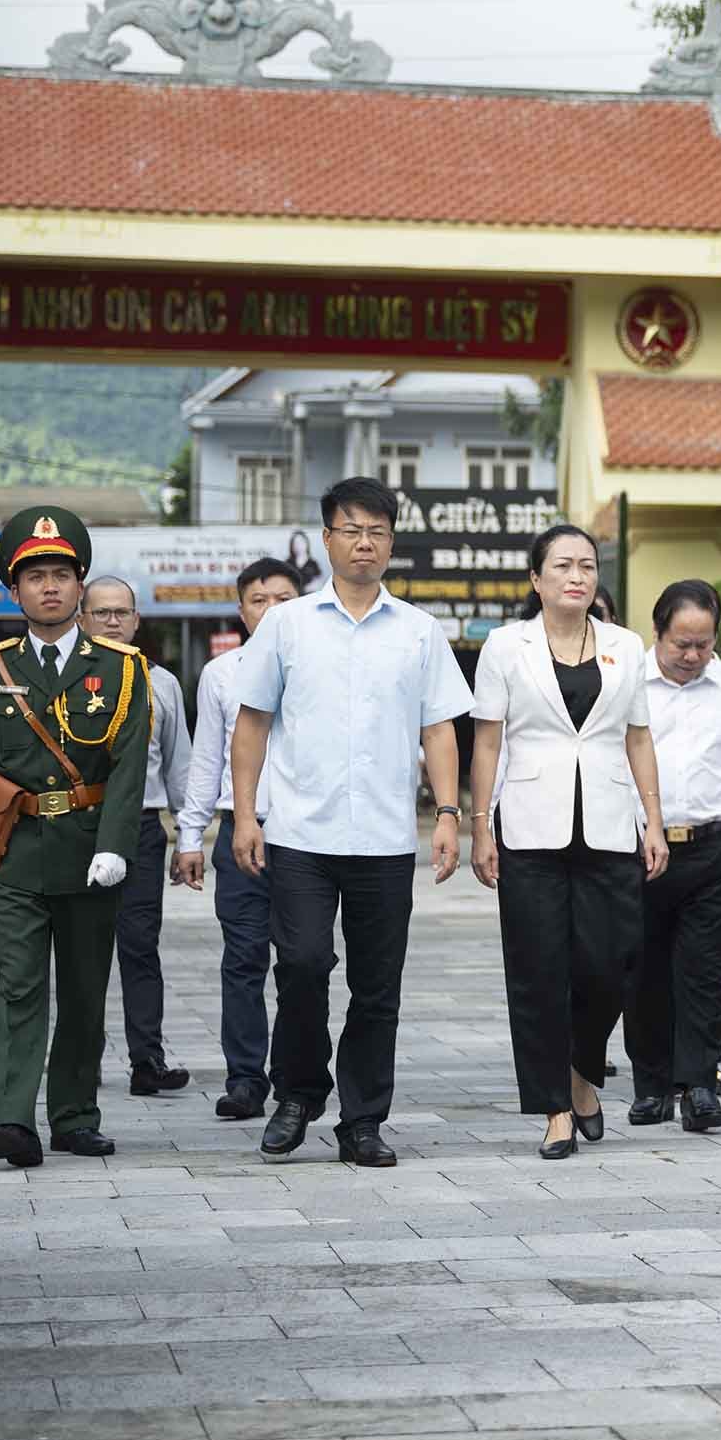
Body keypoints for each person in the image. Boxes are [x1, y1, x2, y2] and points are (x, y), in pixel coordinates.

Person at [230, 478, 472, 1170]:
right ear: (328, 538)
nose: (364, 542)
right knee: (301, 965)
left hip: (387, 837)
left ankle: (363, 1120)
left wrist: (449, 815)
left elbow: (440, 729)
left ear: (392, 542)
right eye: (351, 529)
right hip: (301, 833)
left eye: (378, 531)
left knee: (378, 987)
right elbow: (252, 723)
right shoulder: (287, 623)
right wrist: (246, 813)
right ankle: (298, 1094)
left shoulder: (421, 632)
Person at [0, 506, 149, 1169]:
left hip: (90, 850)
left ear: (80, 584)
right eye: (34, 576)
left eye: (61, 574)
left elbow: (129, 764)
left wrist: (116, 845)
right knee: (18, 987)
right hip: (12, 854)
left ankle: (73, 1115)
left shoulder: (122, 669)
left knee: (85, 991)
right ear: (15, 591)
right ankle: (12, 1119)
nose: (49, 587)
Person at [468, 524, 667, 1158]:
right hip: (529, 825)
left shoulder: (626, 645)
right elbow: (489, 739)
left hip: (610, 823)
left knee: (609, 965)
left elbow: (638, 736)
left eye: (586, 565)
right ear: (536, 579)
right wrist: (480, 824)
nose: (576, 576)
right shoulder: (505, 646)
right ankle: (554, 1106)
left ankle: (585, 1070)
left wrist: (653, 821)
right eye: (562, 566)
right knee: (537, 970)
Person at [624, 579, 721, 1130]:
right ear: (656, 633)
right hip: (640, 849)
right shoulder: (629, 680)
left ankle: (700, 1083)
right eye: (681, 643)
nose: (691, 655)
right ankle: (651, 1084)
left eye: (703, 644)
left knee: (706, 972)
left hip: (712, 848)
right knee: (643, 970)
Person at [171, 557, 300, 1119]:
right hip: (241, 831)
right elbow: (206, 761)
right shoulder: (221, 675)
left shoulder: (323, 668)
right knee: (243, 958)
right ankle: (246, 1077)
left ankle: (298, 1074)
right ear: (242, 610)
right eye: (258, 600)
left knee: (303, 961)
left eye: (283, 598)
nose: (271, 610)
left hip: (308, 839)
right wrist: (190, 836)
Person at [83, 576, 192, 1097]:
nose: (111, 621)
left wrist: (186, 836)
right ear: (82, 619)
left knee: (139, 946)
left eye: (120, 612)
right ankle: (79, 1059)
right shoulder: (63, 678)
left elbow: (179, 766)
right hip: (77, 824)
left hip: (142, 828)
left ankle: (147, 1058)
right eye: (101, 612)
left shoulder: (161, 683)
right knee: (80, 946)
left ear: (136, 621)